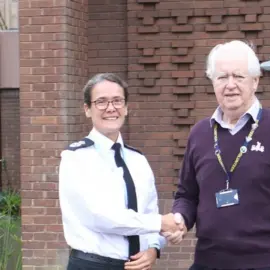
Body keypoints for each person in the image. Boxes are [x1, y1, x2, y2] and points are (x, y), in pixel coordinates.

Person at [168, 40, 270, 270]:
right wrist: (180, 219)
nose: (230, 85)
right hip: (208, 261)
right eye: (222, 77)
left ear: (255, 81)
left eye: (239, 76)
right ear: (213, 82)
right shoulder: (199, 134)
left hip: (266, 262)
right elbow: (187, 195)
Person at [58, 73, 183, 270]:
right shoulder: (76, 158)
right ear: (87, 109)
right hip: (91, 265)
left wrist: (153, 248)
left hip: (137, 266)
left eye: (117, 101)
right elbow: (100, 216)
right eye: (101, 102)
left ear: (126, 108)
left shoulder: (138, 160)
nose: (111, 108)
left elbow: (149, 212)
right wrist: (160, 223)